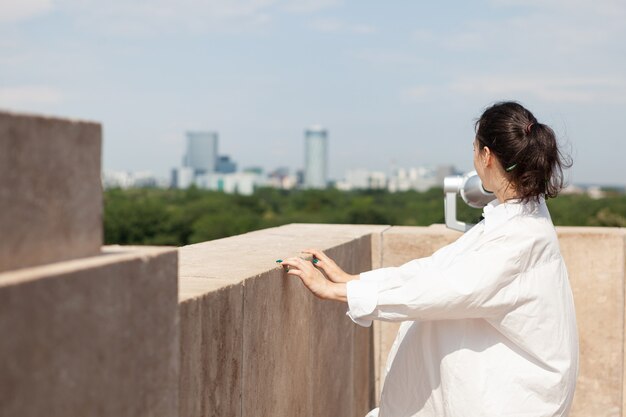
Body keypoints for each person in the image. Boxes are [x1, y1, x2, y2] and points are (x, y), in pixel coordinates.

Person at [280, 101, 578, 417]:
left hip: (509, 401)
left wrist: (336, 292)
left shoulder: (518, 237)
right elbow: (437, 270)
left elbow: (446, 290)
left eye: (475, 149)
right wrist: (354, 280)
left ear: (487, 156)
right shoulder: (515, 219)